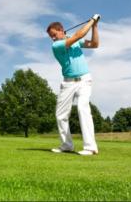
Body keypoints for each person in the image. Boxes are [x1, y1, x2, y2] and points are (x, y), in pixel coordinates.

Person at [46, 14, 100, 156]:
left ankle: (90, 147)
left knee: (83, 108)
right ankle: (67, 145)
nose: (52, 38)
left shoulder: (75, 41)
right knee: (60, 115)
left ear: (60, 30)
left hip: (84, 81)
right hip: (67, 83)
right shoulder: (56, 45)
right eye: (51, 36)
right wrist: (92, 20)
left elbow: (95, 44)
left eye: (53, 34)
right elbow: (79, 34)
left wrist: (94, 26)